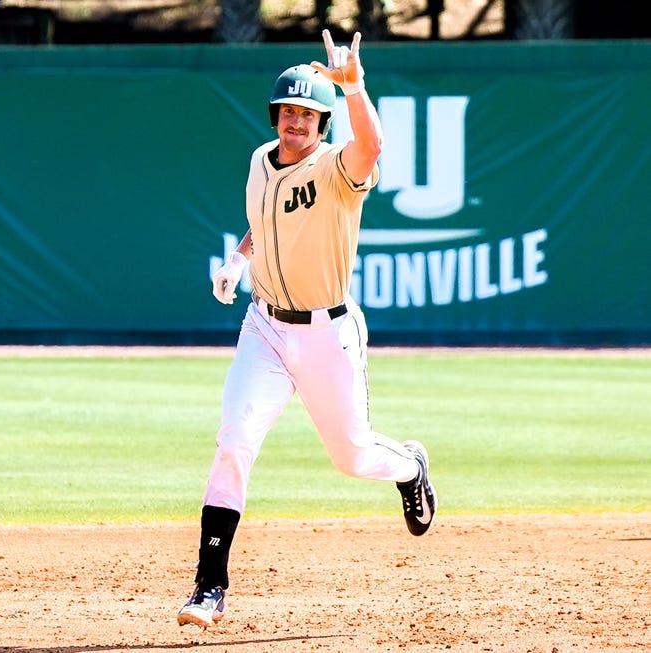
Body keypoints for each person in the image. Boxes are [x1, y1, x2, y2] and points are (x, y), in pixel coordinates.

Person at [177, 29, 437, 630]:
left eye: (308, 114)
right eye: (289, 111)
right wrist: (241, 260)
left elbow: (370, 149)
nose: (296, 122)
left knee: (352, 457)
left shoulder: (335, 170)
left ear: (322, 123)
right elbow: (260, 225)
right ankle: (209, 586)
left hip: (327, 335)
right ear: (276, 116)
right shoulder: (258, 162)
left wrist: (354, 88)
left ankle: (410, 467)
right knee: (233, 439)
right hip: (264, 327)